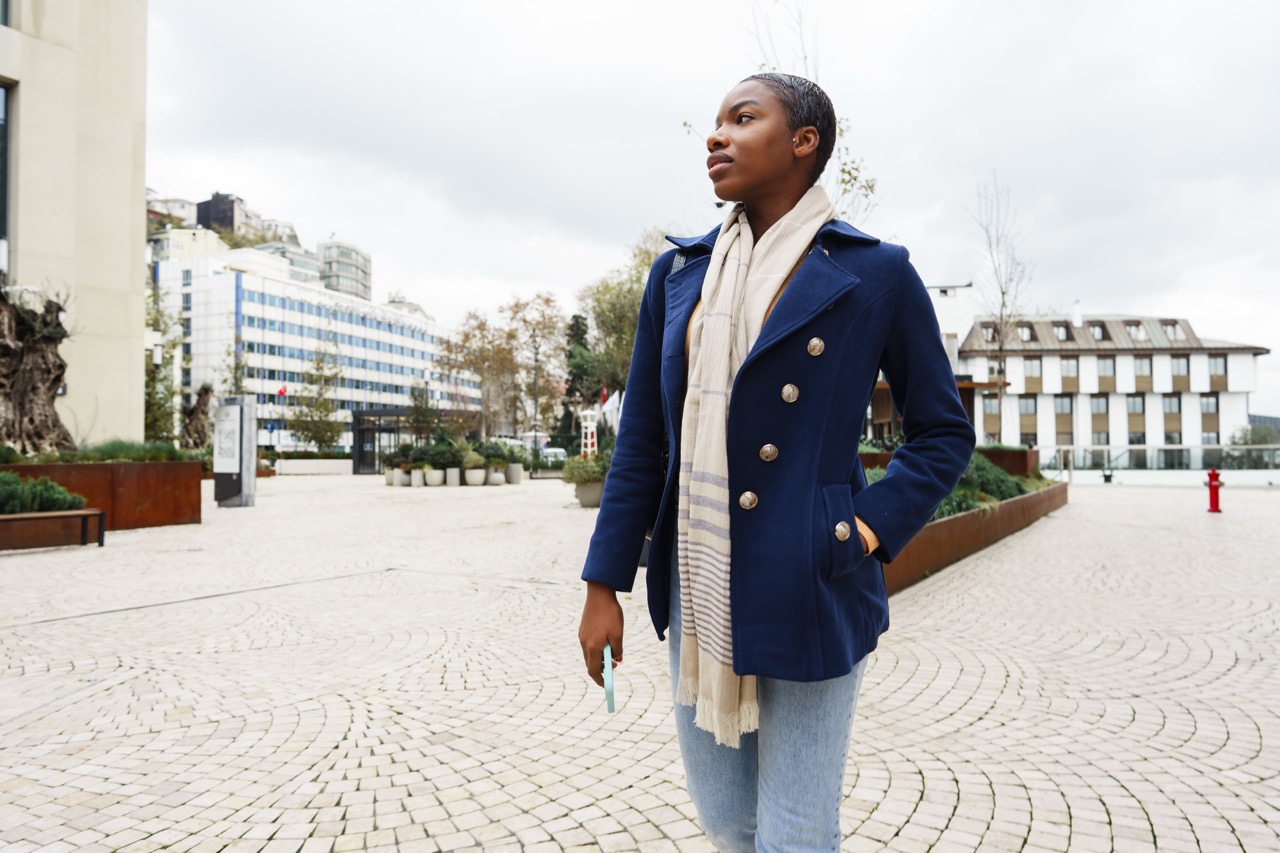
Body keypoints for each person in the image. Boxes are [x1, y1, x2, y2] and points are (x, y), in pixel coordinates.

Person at [577, 72, 975, 851]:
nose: (715, 135)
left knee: (794, 831)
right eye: (715, 121)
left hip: (812, 579)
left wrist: (862, 528)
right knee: (729, 824)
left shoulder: (875, 272)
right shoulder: (681, 273)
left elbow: (941, 431)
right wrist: (603, 584)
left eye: (743, 117)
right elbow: (643, 443)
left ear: (805, 142)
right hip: (697, 581)